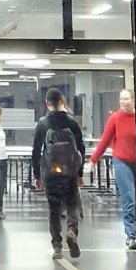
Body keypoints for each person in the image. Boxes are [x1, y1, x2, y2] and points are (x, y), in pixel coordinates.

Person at [31, 87, 86, 260]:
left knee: (54, 209)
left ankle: (57, 247)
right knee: (71, 204)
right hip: (70, 171)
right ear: (61, 101)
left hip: (50, 172)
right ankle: (72, 231)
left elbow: (36, 151)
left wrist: (37, 176)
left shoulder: (43, 124)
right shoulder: (71, 122)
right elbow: (81, 148)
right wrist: (79, 172)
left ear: (47, 103)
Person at [91, 88, 136, 249]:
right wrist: (93, 160)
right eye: (121, 99)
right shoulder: (115, 118)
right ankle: (131, 235)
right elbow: (105, 141)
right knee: (129, 198)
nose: (123, 102)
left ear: (133, 100)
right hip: (121, 162)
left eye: (126, 99)